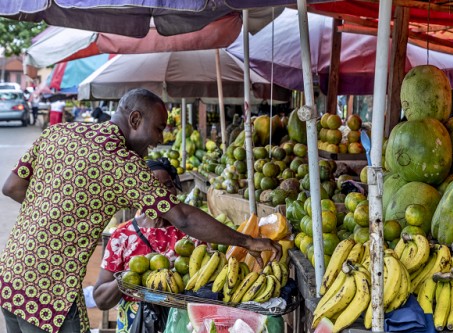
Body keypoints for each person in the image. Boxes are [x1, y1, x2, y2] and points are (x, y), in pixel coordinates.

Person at [0, 88, 281, 333]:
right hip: (50, 291)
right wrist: (247, 240)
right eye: (159, 128)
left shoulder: (60, 132)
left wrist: (58, 211)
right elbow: (182, 217)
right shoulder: (122, 163)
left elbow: (12, 186)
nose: (159, 139)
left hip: (11, 275)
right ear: (135, 120)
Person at [93, 157, 185, 332]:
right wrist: (128, 277)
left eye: (167, 186)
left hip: (177, 322)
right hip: (134, 323)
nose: (161, 194)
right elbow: (101, 299)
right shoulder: (122, 236)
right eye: (152, 187)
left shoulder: (189, 235)